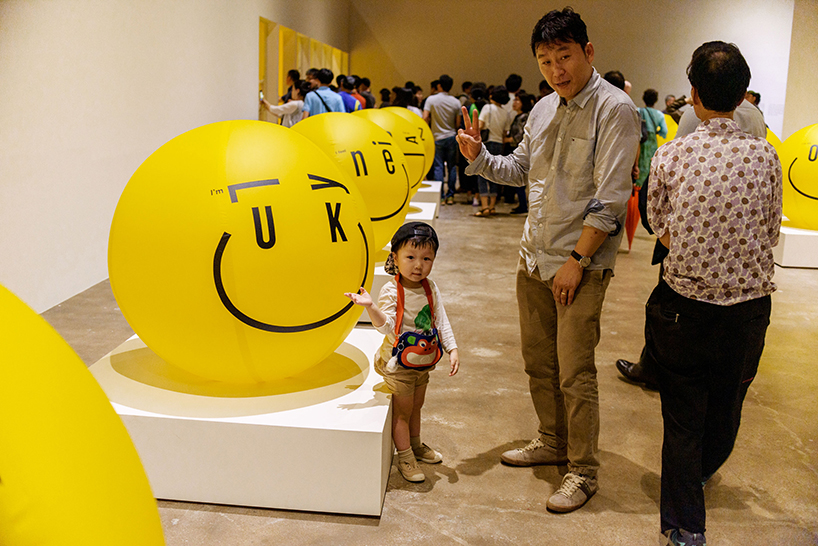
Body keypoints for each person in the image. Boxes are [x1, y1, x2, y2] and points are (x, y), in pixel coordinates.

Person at [457, 8, 639, 513]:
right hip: (533, 258)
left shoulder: (614, 109)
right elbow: (519, 169)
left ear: (588, 52)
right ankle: (552, 440)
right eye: (546, 60)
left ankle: (582, 470)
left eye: (565, 57)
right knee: (539, 363)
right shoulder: (541, 109)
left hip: (578, 263)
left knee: (574, 372)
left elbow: (610, 195)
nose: (557, 69)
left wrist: (578, 259)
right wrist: (479, 156)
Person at [645, 41, 782, 546]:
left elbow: (658, 225)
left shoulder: (672, 154)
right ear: (744, 97)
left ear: (695, 96)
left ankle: (684, 527)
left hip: (684, 311)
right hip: (746, 314)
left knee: (682, 419)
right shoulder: (766, 156)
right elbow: (770, 232)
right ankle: (699, 478)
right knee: (727, 407)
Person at [615, 79, 769, 390]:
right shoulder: (758, 128)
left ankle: (655, 367)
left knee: (666, 305)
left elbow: (665, 201)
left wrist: (673, 239)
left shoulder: (690, 117)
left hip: (687, 233)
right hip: (741, 251)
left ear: (696, 91)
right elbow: (769, 225)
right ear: (742, 92)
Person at [345, 222, 459, 483]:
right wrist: (371, 307)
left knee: (417, 406)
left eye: (426, 258)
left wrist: (452, 348)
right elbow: (386, 328)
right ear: (395, 257)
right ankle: (405, 456)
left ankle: (416, 445)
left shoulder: (430, 287)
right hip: (399, 364)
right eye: (410, 257)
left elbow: (441, 320)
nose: (418, 265)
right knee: (403, 411)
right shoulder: (391, 290)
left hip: (423, 361)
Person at [473, 85, 512, 217]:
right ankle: (492, 206)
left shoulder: (487, 108)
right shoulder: (505, 112)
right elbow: (505, 132)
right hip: (499, 144)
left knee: (482, 174)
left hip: (487, 143)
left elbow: (481, 125)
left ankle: (484, 207)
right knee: (495, 175)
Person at [423, 74, 462, 205]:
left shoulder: (431, 100)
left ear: (439, 85)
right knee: (451, 167)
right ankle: (450, 196)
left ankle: (440, 196)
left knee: (438, 167)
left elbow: (425, 117)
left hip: (436, 137)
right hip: (451, 136)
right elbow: (457, 123)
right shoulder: (456, 102)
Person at [635, 88, 668, 229]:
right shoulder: (659, 115)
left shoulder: (638, 111)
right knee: (651, 171)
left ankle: (635, 202)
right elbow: (665, 132)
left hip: (640, 143)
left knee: (639, 169)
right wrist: (656, 131)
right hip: (652, 142)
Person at [504, 92, 535, 214]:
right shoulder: (519, 116)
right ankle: (522, 204)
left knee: (519, 180)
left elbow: (521, 136)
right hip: (516, 149)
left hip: (520, 151)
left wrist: (507, 139)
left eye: (517, 100)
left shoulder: (524, 117)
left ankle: (523, 205)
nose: (514, 102)